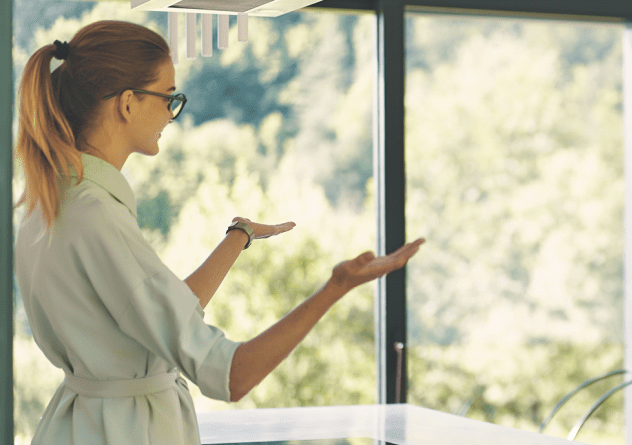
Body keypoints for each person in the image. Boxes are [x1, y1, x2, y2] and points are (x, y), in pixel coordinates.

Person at [14, 20, 425, 445]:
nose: (171, 114)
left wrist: (239, 234)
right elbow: (231, 374)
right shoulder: (98, 219)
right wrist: (337, 287)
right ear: (128, 103)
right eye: (168, 97)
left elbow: (156, 315)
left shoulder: (52, 205)